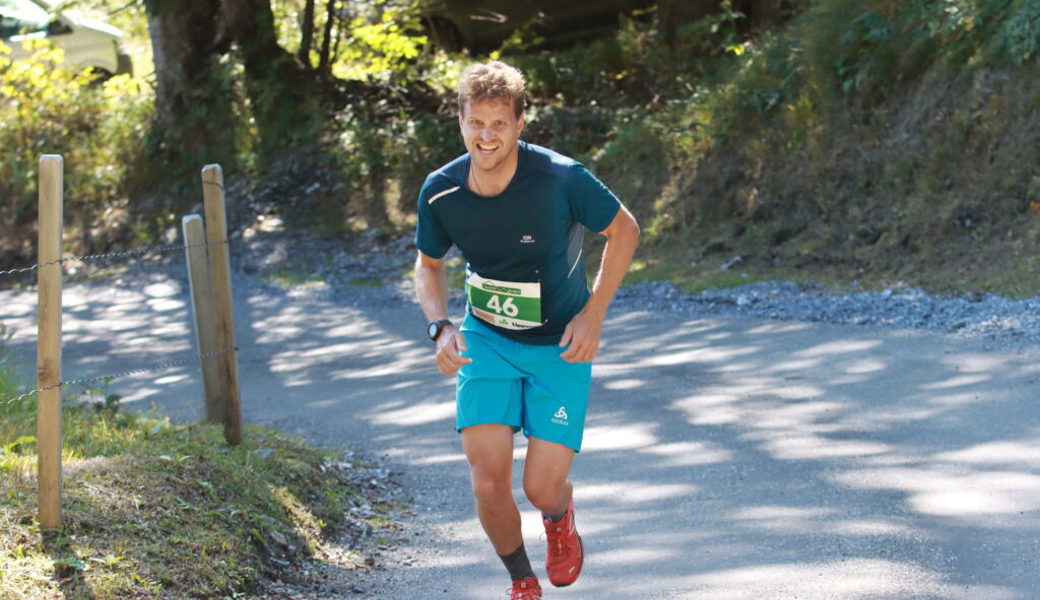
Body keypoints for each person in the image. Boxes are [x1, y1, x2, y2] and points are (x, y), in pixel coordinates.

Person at [414, 60, 640, 600]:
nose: (486, 136)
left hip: (561, 345)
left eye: (499, 123)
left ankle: (559, 519)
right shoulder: (441, 190)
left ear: (519, 124)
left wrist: (594, 314)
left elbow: (623, 229)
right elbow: (427, 265)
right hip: (486, 340)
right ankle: (522, 581)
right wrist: (441, 328)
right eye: (476, 123)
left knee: (541, 488)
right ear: (461, 122)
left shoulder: (561, 178)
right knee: (489, 481)